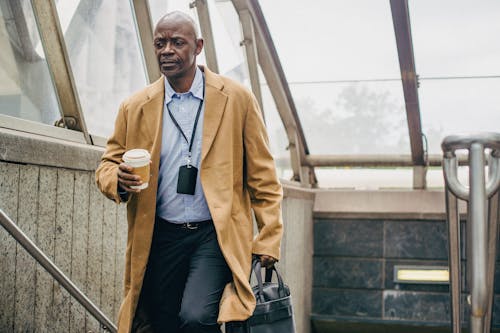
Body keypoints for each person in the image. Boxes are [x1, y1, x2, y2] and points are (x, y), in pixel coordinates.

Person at [95, 11, 283, 333]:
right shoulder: (135, 106)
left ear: (197, 47)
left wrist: (268, 238)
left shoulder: (236, 99)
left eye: (176, 42)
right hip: (160, 234)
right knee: (163, 321)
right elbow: (107, 164)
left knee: (196, 317)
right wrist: (118, 179)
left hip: (213, 234)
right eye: (159, 43)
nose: (166, 50)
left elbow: (263, 176)